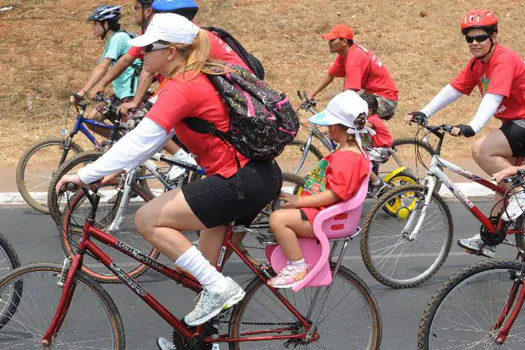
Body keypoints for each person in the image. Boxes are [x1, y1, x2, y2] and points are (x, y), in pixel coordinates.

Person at [55, 13, 282, 338]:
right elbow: (152, 141)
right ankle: (203, 341)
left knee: (148, 220)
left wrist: (85, 173)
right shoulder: (182, 82)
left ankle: (221, 289)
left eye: (149, 49)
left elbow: (143, 139)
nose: (143, 56)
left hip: (240, 181)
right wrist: (112, 172)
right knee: (198, 274)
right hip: (251, 176)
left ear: (171, 52)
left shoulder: (184, 87)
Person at [404, 9, 525, 257]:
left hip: (521, 122)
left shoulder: (504, 60)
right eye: (469, 38)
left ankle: (521, 196)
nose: (474, 43)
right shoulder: (478, 63)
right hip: (515, 124)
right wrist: (424, 112)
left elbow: (493, 97)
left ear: (495, 36)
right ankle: (490, 238)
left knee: (481, 149)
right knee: (502, 185)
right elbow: (454, 88)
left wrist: (473, 126)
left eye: (480, 37)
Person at [267, 90, 371, 288]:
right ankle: (287, 258)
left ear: (342, 129)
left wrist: (299, 201)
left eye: (330, 126)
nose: (328, 130)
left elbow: (334, 194)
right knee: (283, 212)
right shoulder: (351, 152)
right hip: (321, 213)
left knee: (278, 219)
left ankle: (297, 266)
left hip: (327, 218)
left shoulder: (347, 157)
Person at [70, 5, 141, 138]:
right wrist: (84, 90)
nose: (93, 28)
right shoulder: (112, 40)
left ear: (106, 24)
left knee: (130, 134)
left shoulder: (119, 38)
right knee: (92, 118)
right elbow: (100, 67)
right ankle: (118, 146)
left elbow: (103, 68)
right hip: (119, 95)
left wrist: (83, 92)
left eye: (95, 24)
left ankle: (125, 150)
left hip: (130, 95)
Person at [308, 24, 399, 120]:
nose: (329, 43)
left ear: (344, 42)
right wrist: (311, 95)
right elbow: (331, 75)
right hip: (372, 95)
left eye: (332, 40)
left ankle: (376, 133)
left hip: (385, 99)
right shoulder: (345, 54)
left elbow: (350, 94)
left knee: (349, 116)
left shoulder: (354, 60)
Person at [360, 93, 393, 196]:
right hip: (377, 148)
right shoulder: (371, 117)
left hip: (383, 150)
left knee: (362, 161)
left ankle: (377, 183)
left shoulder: (372, 120)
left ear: (369, 110)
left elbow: (364, 125)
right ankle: (370, 183)